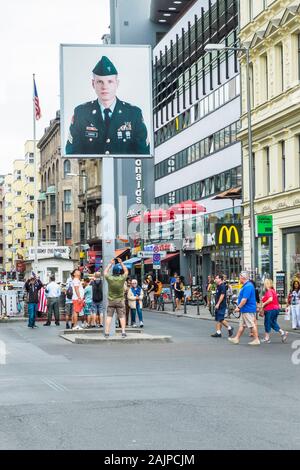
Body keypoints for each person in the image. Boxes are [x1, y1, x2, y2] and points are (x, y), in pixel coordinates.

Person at [65, 56, 150, 156]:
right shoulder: (81, 113)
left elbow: (144, 154)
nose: (105, 87)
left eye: (110, 81)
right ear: (93, 84)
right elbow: (72, 153)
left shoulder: (133, 114)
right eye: (100, 81)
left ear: (117, 84)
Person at [228, 271, 260, 346]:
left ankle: (256, 339)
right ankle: (236, 338)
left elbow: (244, 299)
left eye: (240, 277)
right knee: (242, 325)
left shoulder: (248, 286)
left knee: (251, 325)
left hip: (247, 309)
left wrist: (238, 307)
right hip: (245, 309)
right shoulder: (247, 285)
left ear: (243, 277)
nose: (239, 279)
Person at [104, 258, 128, 338]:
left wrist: (110, 264)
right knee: (122, 316)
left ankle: (107, 332)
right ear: (119, 272)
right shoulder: (122, 278)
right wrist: (121, 263)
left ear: (113, 272)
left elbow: (105, 272)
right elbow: (126, 271)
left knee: (109, 316)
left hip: (111, 300)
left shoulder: (110, 278)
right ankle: (123, 332)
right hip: (120, 300)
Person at [261, 279, 288, 343]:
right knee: (272, 322)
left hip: (270, 309)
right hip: (275, 309)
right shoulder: (273, 291)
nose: (264, 285)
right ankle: (282, 332)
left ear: (267, 284)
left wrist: (264, 304)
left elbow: (270, 299)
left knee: (267, 322)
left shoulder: (269, 291)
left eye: (264, 284)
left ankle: (267, 338)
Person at [211, 274, 234, 338]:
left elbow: (222, 295)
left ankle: (230, 327)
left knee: (220, 318)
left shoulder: (222, 286)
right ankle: (218, 332)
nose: (215, 279)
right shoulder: (218, 286)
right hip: (218, 304)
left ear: (220, 279)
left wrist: (218, 304)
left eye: (217, 278)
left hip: (221, 305)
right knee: (218, 319)